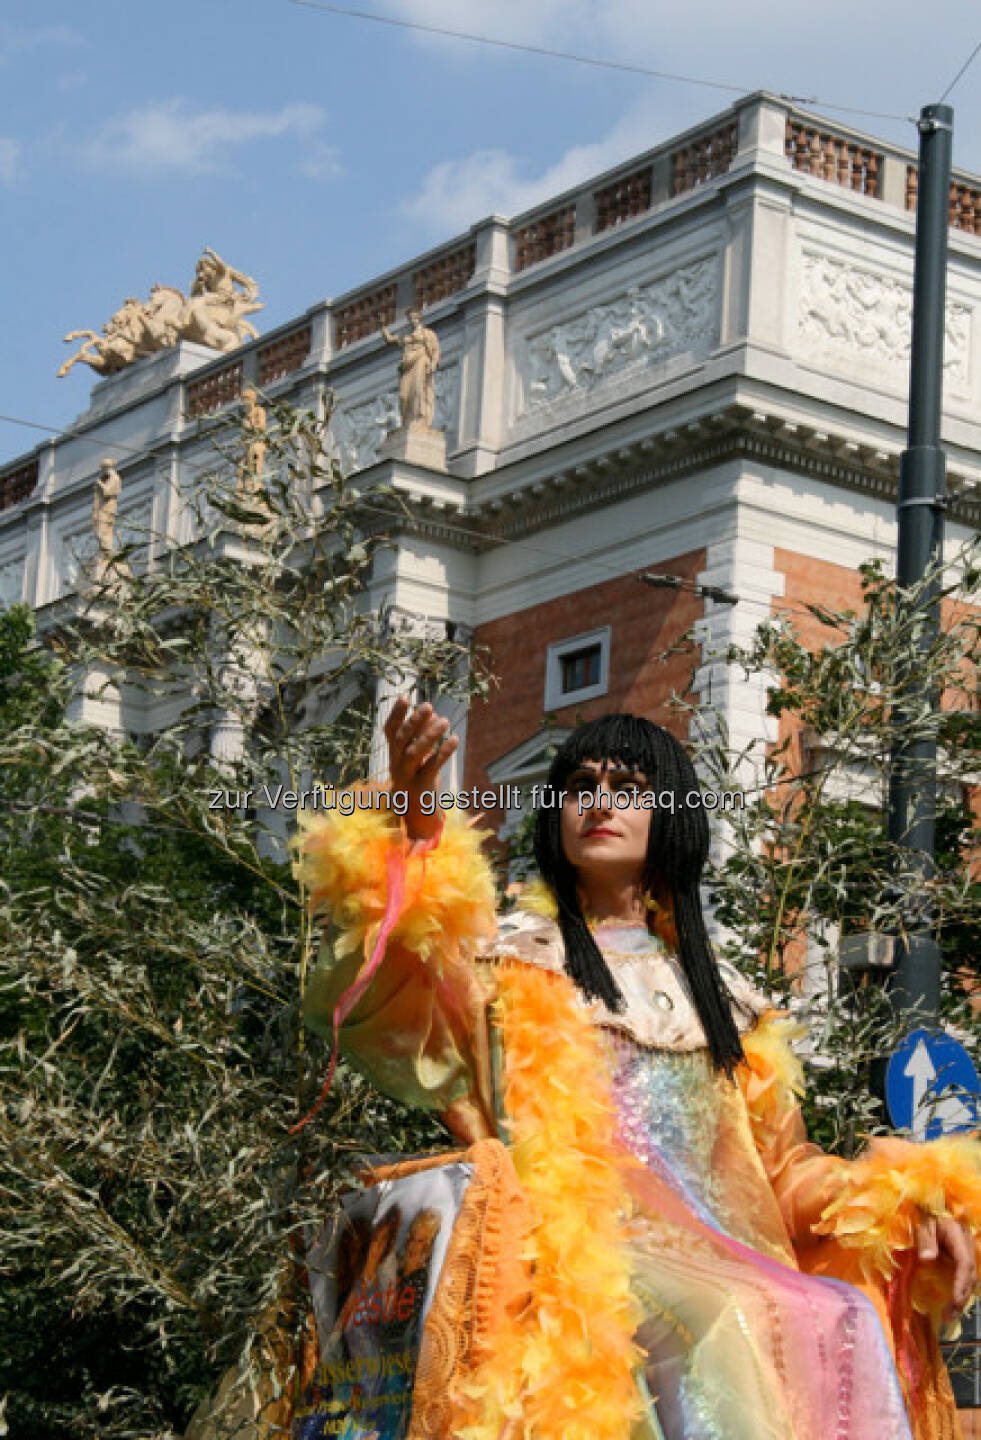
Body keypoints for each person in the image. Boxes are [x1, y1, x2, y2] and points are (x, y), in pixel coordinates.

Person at [294, 702, 980, 1440]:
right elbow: (401, 970)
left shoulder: (726, 1003)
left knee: (834, 1310)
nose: (597, 801)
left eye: (627, 785)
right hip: (570, 1260)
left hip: (732, 1258)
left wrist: (899, 1204)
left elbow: (781, 1171)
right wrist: (414, 811)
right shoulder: (510, 964)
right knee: (724, 1314)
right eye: (579, 784)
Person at [379, 311, 439, 429]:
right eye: (410, 318)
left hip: (420, 362)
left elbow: (435, 350)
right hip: (406, 367)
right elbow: (390, 339)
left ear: (419, 318)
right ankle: (406, 422)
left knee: (418, 391)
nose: (412, 321)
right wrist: (382, 326)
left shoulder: (427, 334)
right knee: (403, 396)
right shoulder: (406, 336)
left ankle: (419, 419)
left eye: (414, 318)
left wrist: (433, 364)